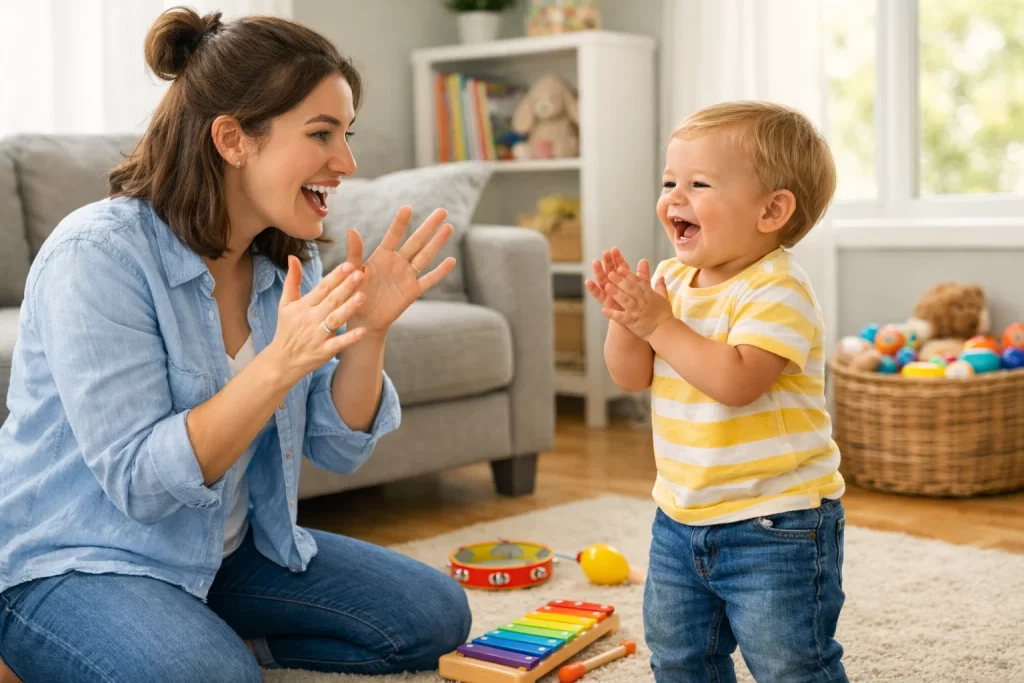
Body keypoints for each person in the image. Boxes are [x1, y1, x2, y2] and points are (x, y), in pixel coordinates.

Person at [0, 8, 472, 683]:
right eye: (321, 134)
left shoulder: (276, 269)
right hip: (78, 558)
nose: (347, 162)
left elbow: (336, 446)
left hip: (220, 556)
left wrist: (368, 334)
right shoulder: (99, 255)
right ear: (232, 138)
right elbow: (139, 480)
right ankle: (42, 643)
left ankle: (209, 641)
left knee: (434, 614)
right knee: (207, 676)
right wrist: (278, 364)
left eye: (346, 134)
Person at [586, 101, 848, 683]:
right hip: (679, 516)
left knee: (790, 663)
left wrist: (658, 324)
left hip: (776, 523)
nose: (674, 197)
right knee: (680, 657)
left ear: (771, 210)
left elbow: (735, 382)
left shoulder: (777, 289)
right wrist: (626, 320)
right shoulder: (672, 284)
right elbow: (631, 377)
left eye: (698, 184)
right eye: (668, 182)